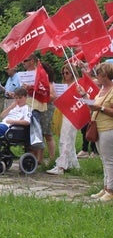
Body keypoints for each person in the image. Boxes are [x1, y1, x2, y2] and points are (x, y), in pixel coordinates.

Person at [82, 62, 113, 201]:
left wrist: (99, 109)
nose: (96, 77)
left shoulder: (112, 90)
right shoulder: (101, 90)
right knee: (103, 159)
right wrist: (84, 97)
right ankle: (106, 187)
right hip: (98, 127)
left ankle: (110, 190)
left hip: (108, 128)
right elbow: (94, 106)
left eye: (98, 74)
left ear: (105, 75)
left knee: (109, 160)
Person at [46, 65, 80, 175]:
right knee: (67, 139)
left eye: (67, 73)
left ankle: (61, 166)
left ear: (72, 73)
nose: (65, 75)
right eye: (63, 73)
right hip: (64, 112)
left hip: (72, 113)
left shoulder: (77, 85)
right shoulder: (64, 85)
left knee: (66, 139)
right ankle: (73, 164)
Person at [20, 53, 49, 163]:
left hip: (35, 105)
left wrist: (31, 87)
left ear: (32, 61)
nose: (23, 63)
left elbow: (44, 89)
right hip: (26, 104)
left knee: (36, 131)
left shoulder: (40, 73)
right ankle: (29, 156)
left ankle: (39, 159)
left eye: (25, 61)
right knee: (27, 132)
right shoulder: (25, 74)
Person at [40, 62, 57, 164]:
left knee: (48, 135)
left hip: (48, 110)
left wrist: (42, 95)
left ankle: (52, 158)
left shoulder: (50, 84)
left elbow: (52, 97)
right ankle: (40, 159)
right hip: (42, 109)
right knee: (40, 134)